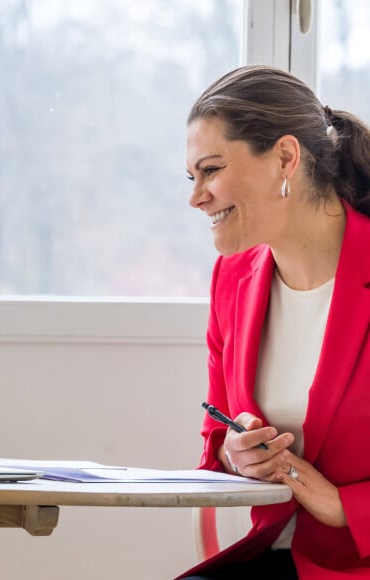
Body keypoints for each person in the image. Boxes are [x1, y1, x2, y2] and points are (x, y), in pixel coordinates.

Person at [177, 64, 370, 579]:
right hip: (274, 559)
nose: (196, 197)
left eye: (211, 170)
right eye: (192, 177)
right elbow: (215, 441)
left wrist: (343, 507)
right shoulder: (231, 279)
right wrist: (239, 453)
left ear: (285, 157)